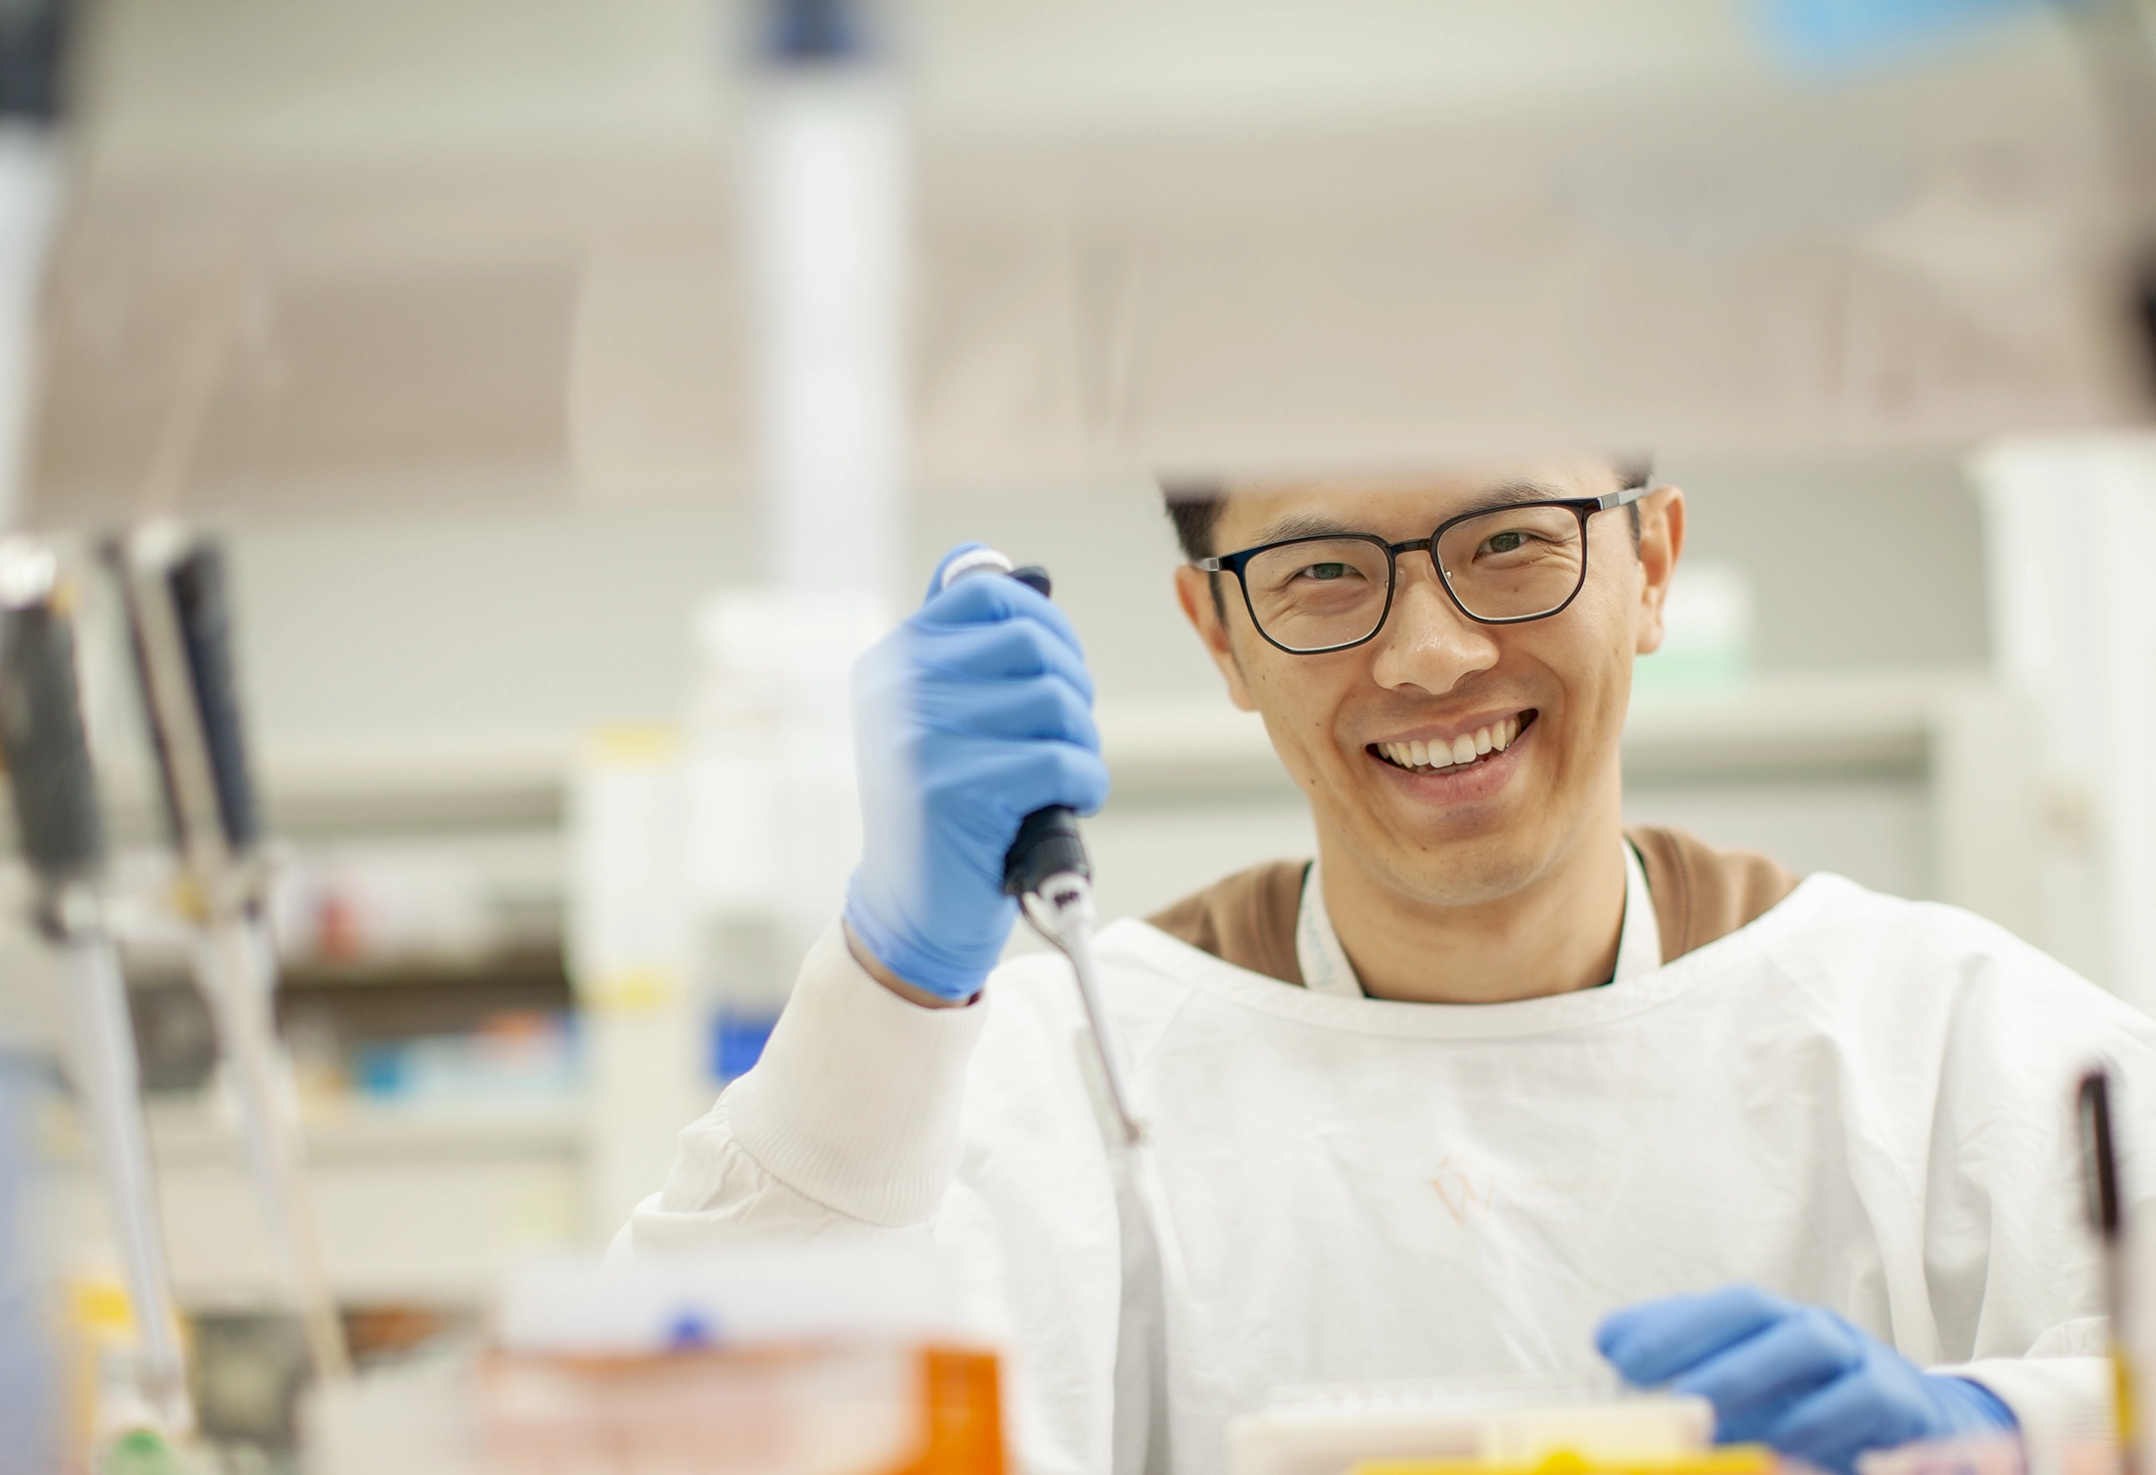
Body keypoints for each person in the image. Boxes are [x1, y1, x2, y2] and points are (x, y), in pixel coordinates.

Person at [622, 454, 2155, 1475]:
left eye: (1511, 542)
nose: (1429, 650)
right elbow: (665, 1425)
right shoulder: (1050, 1073)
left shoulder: (1948, 1034)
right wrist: (889, 980)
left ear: (1653, 561)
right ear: (1218, 635)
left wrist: (2003, 1434)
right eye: (1321, 575)